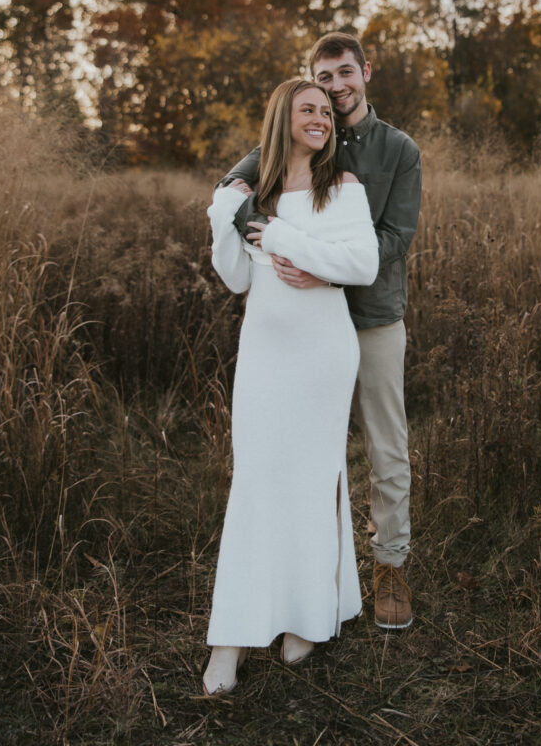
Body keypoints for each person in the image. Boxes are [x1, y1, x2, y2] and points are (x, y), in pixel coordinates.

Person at [219, 32, 421, 630]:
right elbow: (239, 184)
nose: (334, 89)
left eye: (343, 74)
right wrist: (236, 199)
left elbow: (393, 240)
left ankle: (390, 567)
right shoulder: (306, 129)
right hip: (304, 326)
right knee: (307, 449)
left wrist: (317, 265)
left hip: (373, 316)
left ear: (364, 73)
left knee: (385, 443)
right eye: (323, 78)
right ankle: (312, 575)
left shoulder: (398, 149)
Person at [202, 78, 378, 695]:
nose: (321, 120)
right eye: (309, 110)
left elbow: (362, 263)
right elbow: (234, 280)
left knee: (312, 477)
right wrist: (225, 213)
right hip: (265, 353)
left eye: (326, 113)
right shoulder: (255, 192)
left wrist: (281, 236)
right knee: (256, 478)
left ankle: (307, 614)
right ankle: (233, 637)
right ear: (281, 117)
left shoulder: (343, 188)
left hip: (324, 352)